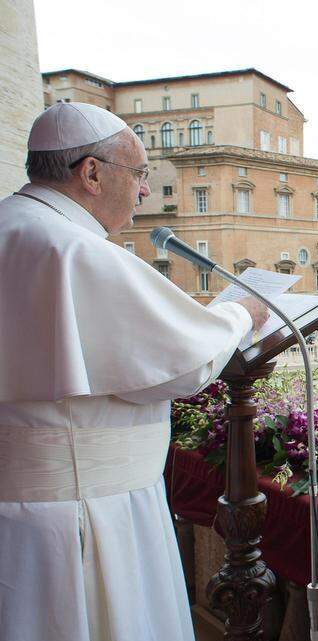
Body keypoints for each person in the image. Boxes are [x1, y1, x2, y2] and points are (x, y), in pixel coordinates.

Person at [0, 103, 268, 641]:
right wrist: (242, 313)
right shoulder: (71, 248)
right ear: (91, 173)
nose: (145, 190)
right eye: (140, 173)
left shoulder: (13, 225)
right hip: (84, 516)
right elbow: (182, 362)